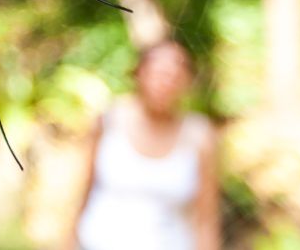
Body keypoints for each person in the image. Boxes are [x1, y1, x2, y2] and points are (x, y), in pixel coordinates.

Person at [67, 40, 221, 250]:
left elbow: (206, 219)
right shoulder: (110, 119)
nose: (165, 83)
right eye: (159, 73)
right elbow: (81, 190)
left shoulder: (199, 135)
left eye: (174, 76)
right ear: (140, 73)